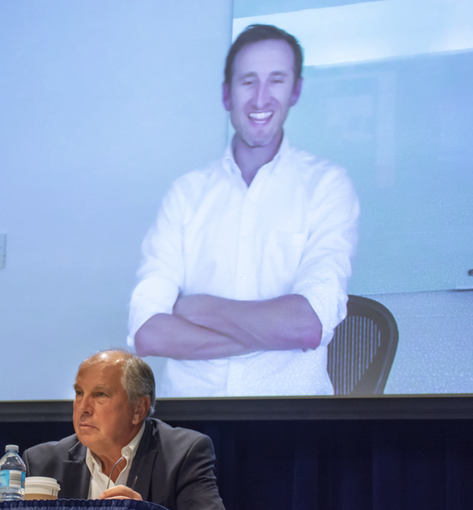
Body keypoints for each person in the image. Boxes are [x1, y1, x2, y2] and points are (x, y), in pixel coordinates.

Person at [128, 24, 360, 397]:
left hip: (292, 419)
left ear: (296, 90)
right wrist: (270, 331)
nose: (261, 99)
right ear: (226, 94)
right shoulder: (185, 194)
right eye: (248, 82)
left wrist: (194, 308)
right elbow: (149, 333)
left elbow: (307, 326)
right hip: (188, 423)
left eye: (277, 81)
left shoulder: (328, 186)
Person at [0, 350, 234, 510]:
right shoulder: (42, 460)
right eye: (78, 393)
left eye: (100, 395)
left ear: (139, 409)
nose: (83, 407)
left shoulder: (183, 452)